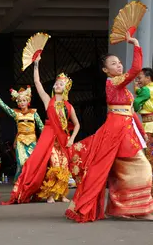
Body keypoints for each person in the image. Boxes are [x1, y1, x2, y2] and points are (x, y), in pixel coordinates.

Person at [65, 32, 153, 222]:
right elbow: (136, 68)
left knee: (124, 171)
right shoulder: (114, 83)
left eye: (119, 62)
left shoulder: (121, 86)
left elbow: (129, 111)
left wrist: (141, 131)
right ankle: (138, 209)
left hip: (126, 131)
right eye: (113, 63)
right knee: (142, 168)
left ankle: (129, 209)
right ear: (106, 70)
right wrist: (136, 44)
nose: (119, 65)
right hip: (116, 132)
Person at [2, 54, 80, 205]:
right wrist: (36, 64)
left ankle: (62, 193)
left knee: (64, 164)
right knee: (54, 164)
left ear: (66, 88)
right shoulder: (48, 101)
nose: (57, 85)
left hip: (64, 138)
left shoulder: (69, 107)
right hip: (50, 136)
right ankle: (50, 194)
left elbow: (77, 124)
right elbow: (37, 82)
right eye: (56, 84)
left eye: (61, 84)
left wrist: (71, 139)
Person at [0, 86, 44, 181]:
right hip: (21, 141)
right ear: (18, 103)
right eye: (20, 101)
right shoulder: (16, 113)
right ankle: (18, 187)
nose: (22, 102)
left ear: (28, 101)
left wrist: (46, 140)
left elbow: (41, 127)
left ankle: (30, 188)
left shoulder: (34, 113)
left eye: (24, 100)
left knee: (33, 165)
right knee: (21, 164)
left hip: (32, 141)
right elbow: (4, 106)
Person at [134, 68, 153, 168]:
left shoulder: (146, 90)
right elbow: (144, 95)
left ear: (148, 78)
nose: (138, 80)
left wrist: (135, 108)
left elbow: (136, 102)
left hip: (149, 127)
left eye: (140, 78)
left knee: (148, 154)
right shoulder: (150, 89)